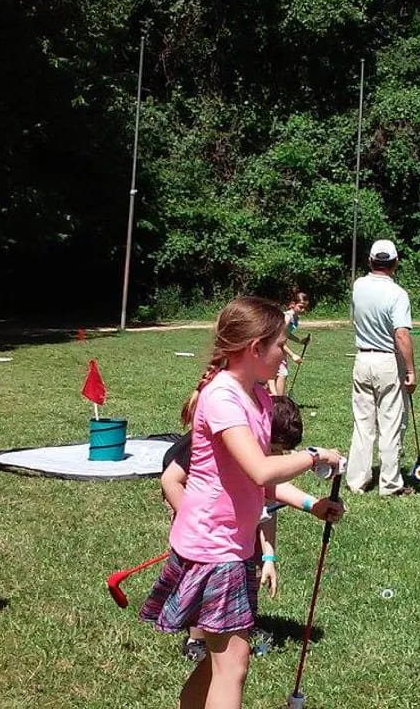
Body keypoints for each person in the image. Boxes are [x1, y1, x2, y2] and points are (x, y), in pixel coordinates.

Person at [144, 296, 344, 709]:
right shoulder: (222, 399)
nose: (284, 355)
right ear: (255, 349)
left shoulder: (257, 397)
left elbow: (256, 484)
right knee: (233, 664)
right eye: (279, 346)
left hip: (231, 547)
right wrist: (313, 457)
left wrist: (313, 505)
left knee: (222, 662)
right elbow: (260, 470)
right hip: (213, 548)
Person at [143, 395, 312, 663]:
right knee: (202, 573)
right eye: (275, 449)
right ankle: (196, 637)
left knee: (247, 561)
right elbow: (171, 481)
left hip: (228, 506)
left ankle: (237, 622)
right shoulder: (217, 442)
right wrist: (196, 523)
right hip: (190, 501)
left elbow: (267, 504)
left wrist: (269, 556)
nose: (277, 457)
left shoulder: (254, 456)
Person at [346, 239, 417, 497]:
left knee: (363, 423)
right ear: (395, 263)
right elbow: (401, 335)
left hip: (362, 358)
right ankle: (389, 483)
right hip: (387, 359)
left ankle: (356, 481)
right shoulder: (397, 294)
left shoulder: (358, 286)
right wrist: (410, 370)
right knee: (390, 423)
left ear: (370, 261)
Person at [268, 290, 310, 396]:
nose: (303, 310)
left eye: (305, 307)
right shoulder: (287, 317)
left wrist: (299, 341)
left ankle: (276, 400)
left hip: (279, 347)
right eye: (300, 306)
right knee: (281, 373)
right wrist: (293, 355)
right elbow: (279, 339)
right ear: (293, 304)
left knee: (279, 373)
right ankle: (279, 401)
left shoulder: (295, 318)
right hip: (273, 347)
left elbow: (286, 334)